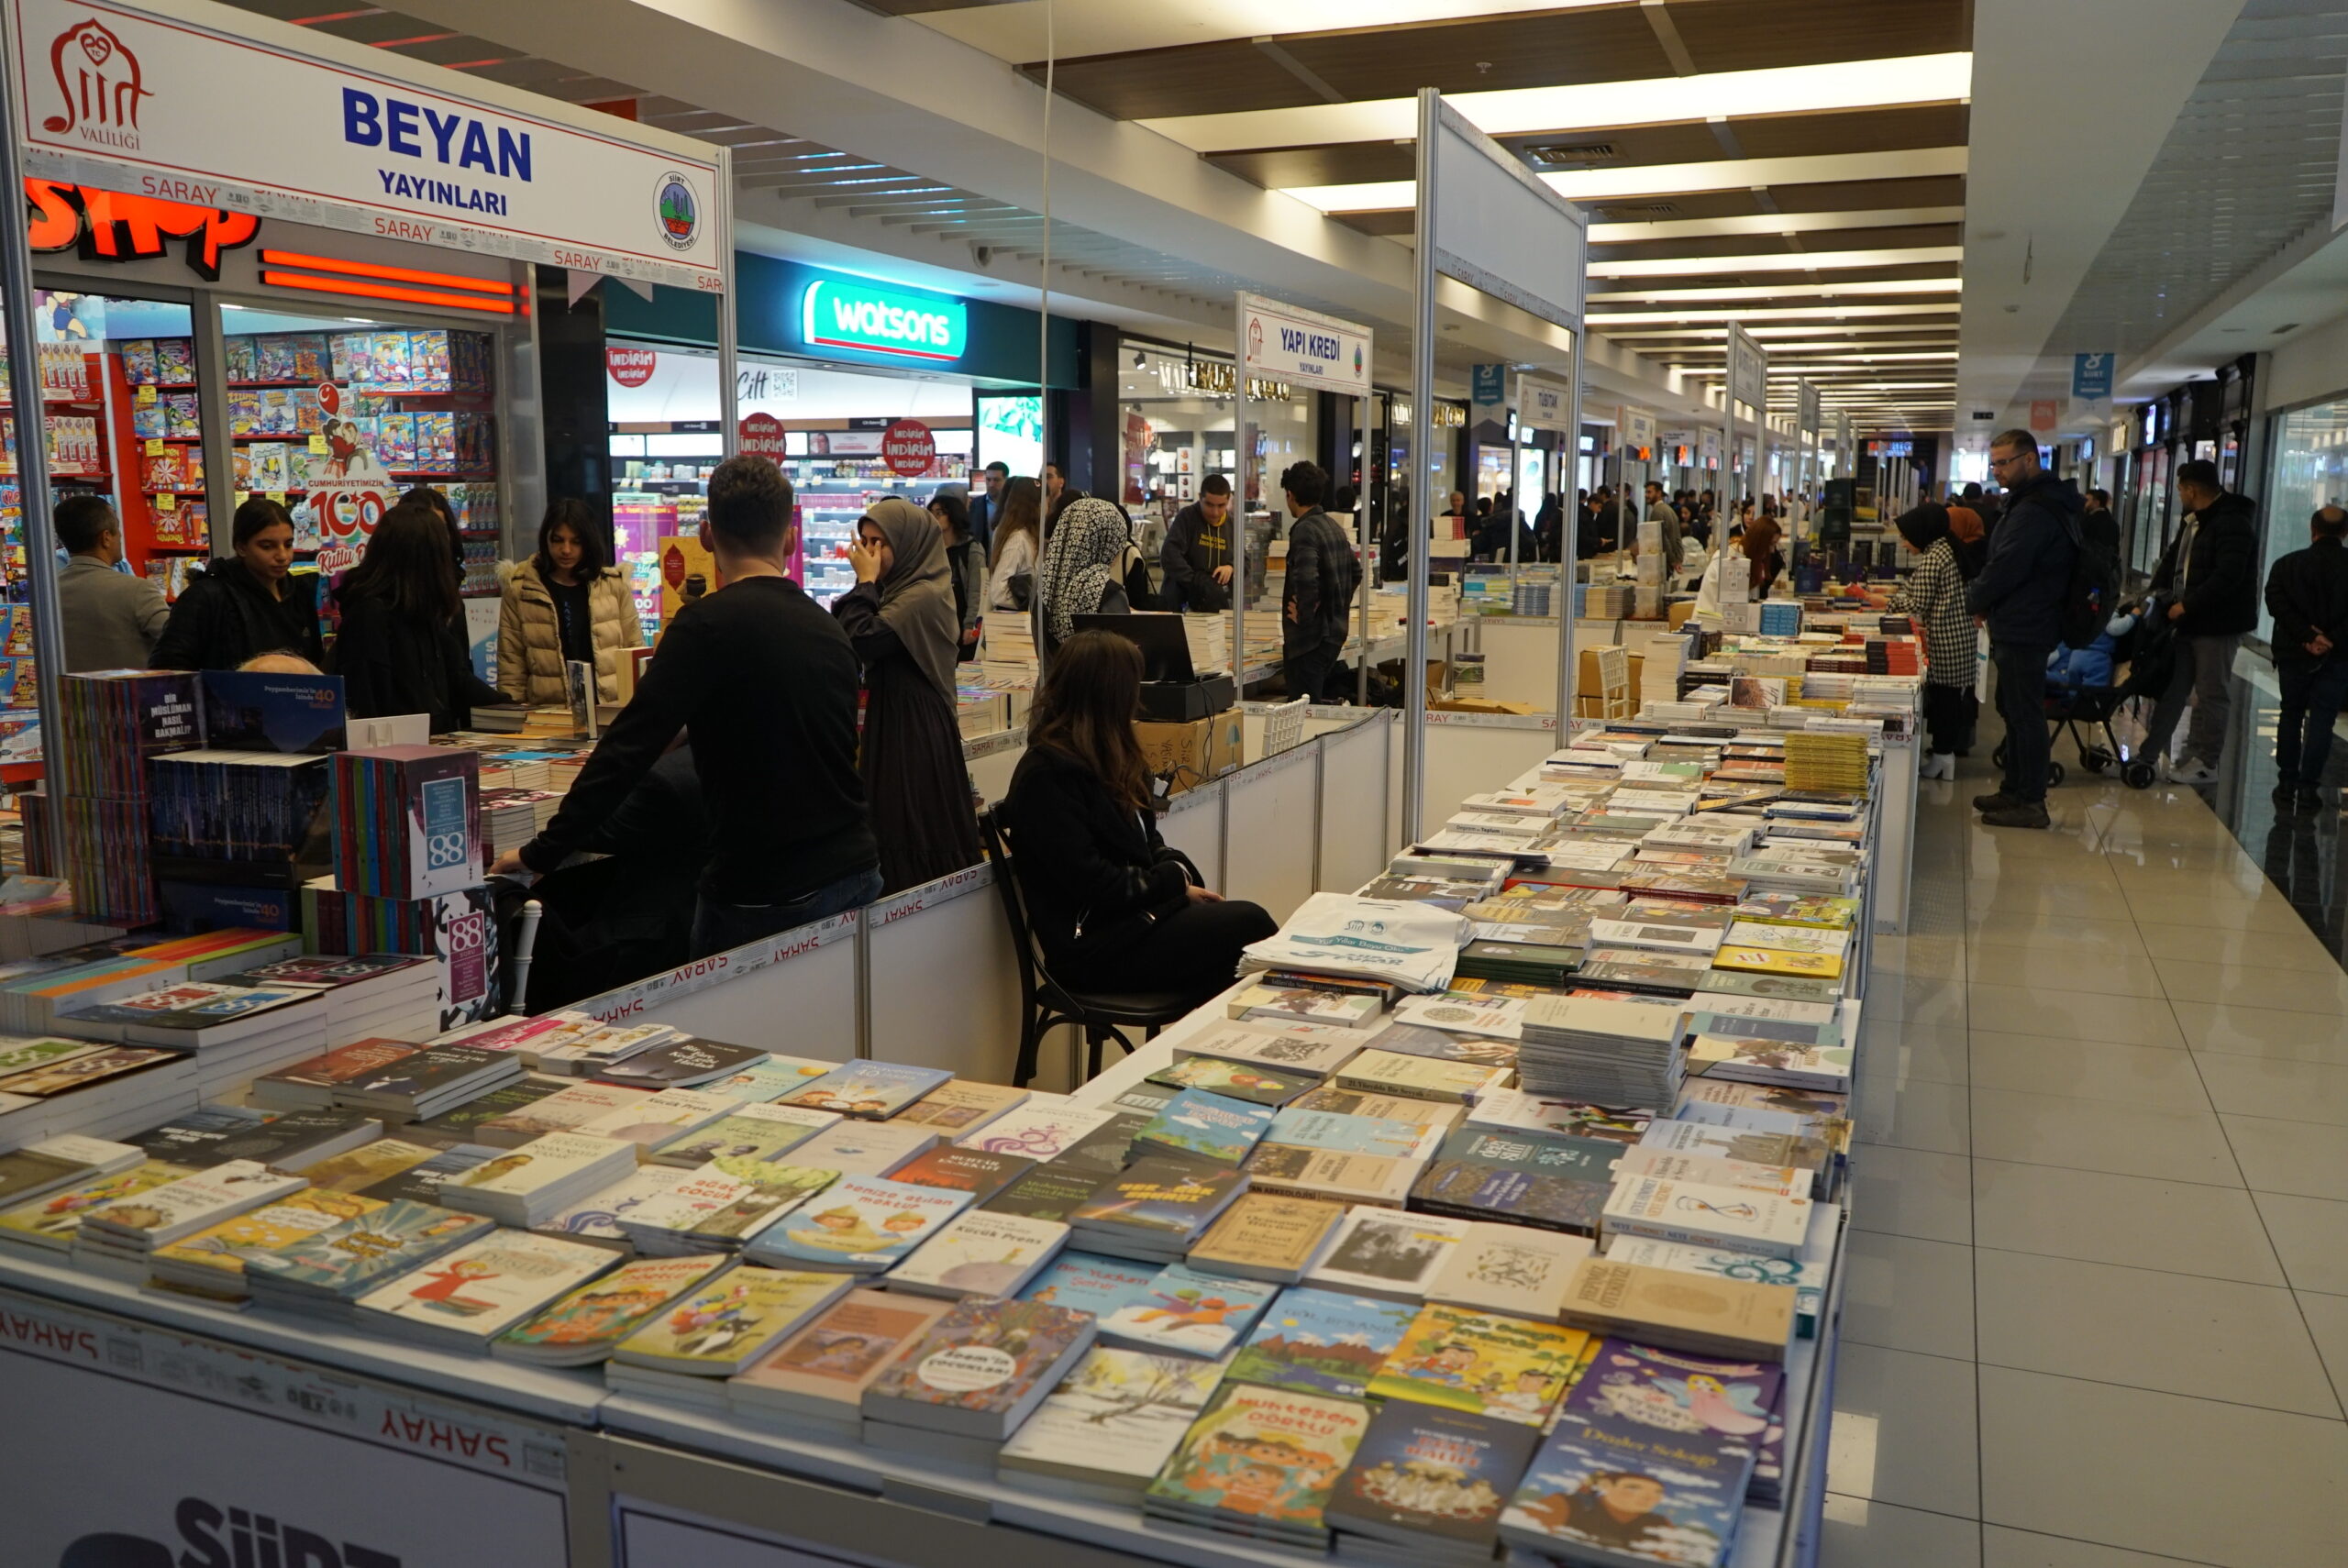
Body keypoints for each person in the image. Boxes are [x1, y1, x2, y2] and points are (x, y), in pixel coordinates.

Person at [491, 456, 880, 955]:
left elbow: (626, 750)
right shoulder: (828, 627)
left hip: (760, 891)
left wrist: (542, 851)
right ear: (790, 539)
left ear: (707, 535)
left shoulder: (704, 627)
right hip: (854, 871)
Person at [1000, 629, 1276, 1006]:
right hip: (1094, 949)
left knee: (1240, 954)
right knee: (1250, 926)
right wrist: (1173, 882)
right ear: (1111, 693)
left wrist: (1177, 878)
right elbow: (1094, 882)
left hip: (1134, 922)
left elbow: (1148, 841)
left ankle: (1215, 1037)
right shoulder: (1046, 776)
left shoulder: (1109, 755)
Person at [836, 497, 986, 893]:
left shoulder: (921, 595)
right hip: (895, 717)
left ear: (908, 544)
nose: (869, 552)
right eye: (865, 541)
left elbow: (862, 638)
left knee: (911, 820)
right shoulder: (899, 589)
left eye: (880, 542)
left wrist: (865, 583)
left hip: (914, 727)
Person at [1966, 429, 2080, 830]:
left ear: (2029, 459)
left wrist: (1975, 599)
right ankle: (2014, 789)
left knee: (2025, 714)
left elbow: (2008, 564)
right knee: (2013, 710)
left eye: (2003, 462)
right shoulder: (2029, 501)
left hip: (2027, 622)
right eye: (1993, 463)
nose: (1996, 470)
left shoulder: (2035, 509)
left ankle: (2031, 801)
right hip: (2021, 619)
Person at [328, 502, 507, 732]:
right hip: (399, 747)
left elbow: (457, 677)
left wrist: (511, 707)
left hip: (432, 742)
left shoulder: (422, 611)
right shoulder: (370, 615)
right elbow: (367, 705)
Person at [2143, 458, 2258, 785]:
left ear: (2192, 490)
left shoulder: (2233, 522)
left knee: (2210, 693)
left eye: (2180, 489)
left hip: (2217, 624)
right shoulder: (2194, 520)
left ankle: (2206, 760)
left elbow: (2228, 576)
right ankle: (2175, 753)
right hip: (2189, 620)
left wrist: (2187, 605)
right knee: (2178, 688)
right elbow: (2172, 560)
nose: (2179, 494)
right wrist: (2152, 597)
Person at [150, 497, 323, 671]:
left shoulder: (299, 592)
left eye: (288, 544)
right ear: (241, 548)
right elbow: (169, 667)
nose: (283, 556)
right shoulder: (206, 596)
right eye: (267, 546)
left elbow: (314, 661)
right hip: (228, 690)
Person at [497, 498, 642, 705]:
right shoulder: (521, 590)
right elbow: (511, 664)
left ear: (588, 542)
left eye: (576, 542)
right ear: (546, 539)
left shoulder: (613, 585)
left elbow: (634, 651)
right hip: (548, 712)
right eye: (558, 540)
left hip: (609, 709)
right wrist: (512, 713)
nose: (566, 550)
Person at [2263, 504, 2348, 810]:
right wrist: (2330, 639)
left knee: (2291, 713)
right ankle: (2309, 786)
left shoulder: (2286, 565)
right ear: (2345, 533)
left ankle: (2287, 781)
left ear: (2313, 530)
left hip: (2293, 653)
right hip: (2338, 656)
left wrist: (2306, 636)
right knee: (2323, 720)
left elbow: (2276, 603)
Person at [1887, 503, 1975, 779]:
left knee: (1946, 702)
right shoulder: (1946, 549)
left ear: (1921, 532)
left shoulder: (1935, 557)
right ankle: (1943, 755)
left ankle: (1943, 756)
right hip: (1957, 638)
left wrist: (1887, 602)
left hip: (1946, 641)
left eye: (1906, 537)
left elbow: (1916, 603)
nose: (1904, 544)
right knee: (1949, 699)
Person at [54, 494, 168, 671]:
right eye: (117, 528)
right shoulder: (138, 590)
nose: (120, 535)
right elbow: (181, 640)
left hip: (69, 689)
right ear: (106, 537)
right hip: (132, 688)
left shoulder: (50, 594)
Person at [1278, 461, 1357, 702]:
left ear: (1291, 495)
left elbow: (1306, 579)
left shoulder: (1304, 530)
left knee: (1303, 711)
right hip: (1333, 634)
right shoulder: (1333, 526)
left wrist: (1305, 616)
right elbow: (1356, 571)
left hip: (1309, 642)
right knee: (1315, 708)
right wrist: (1335, 606)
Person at [1036, 496, 1137, 658]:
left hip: (1054, 674)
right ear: (1107, 541)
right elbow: (1123, 655)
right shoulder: (1107, 591)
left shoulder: (1045, 585)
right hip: (1099, 674)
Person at [1162, 473, 1235, 612]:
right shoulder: (1187, 517)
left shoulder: (1231, 524)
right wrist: (1196, 581)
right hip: (1181, 601)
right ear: (1200, 497)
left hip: (1216, 604)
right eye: (1209, 505)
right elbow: (1169, 556)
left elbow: (1245, 561)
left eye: (1221, 506)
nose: (1215, 512)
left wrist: (1231, 567)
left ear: (1228, 500)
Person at [927, 489, 984, 661]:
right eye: (931, 513)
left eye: (940, 513)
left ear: (953, 515)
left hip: (961, 621)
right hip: (935, 623)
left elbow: (976, 590)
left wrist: (971, 624)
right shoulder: (929, 549)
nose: (934, 517)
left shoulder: (971, 548)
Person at [984, 475, 1042, 612]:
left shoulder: (1026, 535)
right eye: (1045, 500)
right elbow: (999, 592)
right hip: (1015, 619)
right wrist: (1031, 605)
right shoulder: (1017, 538)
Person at [1643, 480, 1683, 579]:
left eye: (1649, 492)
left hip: (1664, 562)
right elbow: (1678, 537)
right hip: (1670, 561)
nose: (1646, 495)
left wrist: (1673, 561)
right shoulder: (1669, 510)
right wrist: (1678, 559)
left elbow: (1662, 539)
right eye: (1646, 492)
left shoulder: (1657, 512)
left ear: (1659, 493)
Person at [968, 459, 1009, 553]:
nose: (991, 484)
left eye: (996, 480)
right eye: (988, 479)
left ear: (1006, 480)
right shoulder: (975, 504)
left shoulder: (1012, 505)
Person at [1534, 492, 1564, 561]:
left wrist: (1543, 544)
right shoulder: (1559, 514)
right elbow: (1560, 532)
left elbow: (1536, 531)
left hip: (1542, 545)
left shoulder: (1540, 514)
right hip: (1556, 546)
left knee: (1543, 563)